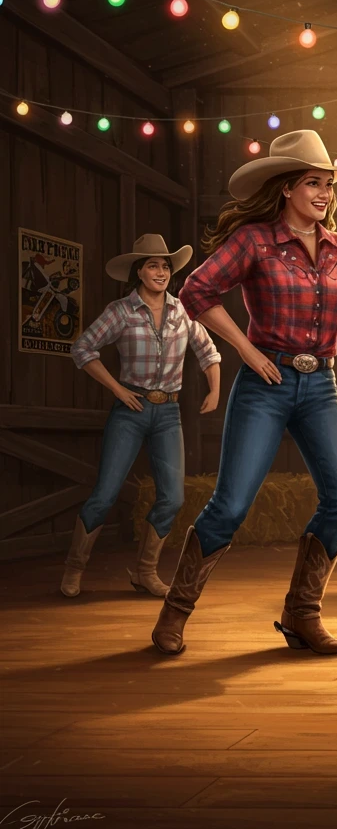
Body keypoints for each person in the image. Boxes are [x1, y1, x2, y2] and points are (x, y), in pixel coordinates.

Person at [151, 130, 337, 656]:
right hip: (265, 383)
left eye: (329, 184)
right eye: (312, 183)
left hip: (321, 385)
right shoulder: (254, 240)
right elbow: (196, 291)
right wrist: (246, 351)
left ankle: (302, 616)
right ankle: (175, 614)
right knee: (231, 505)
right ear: (285, 188)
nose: (324, 193)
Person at [63, 235, 220, 597]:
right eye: (153, 265)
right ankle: (74, 569)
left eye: (166, 266)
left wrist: (214, 390)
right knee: (105, 494)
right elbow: (83, 348)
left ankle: (145, 572)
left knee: (173, 497)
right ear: (138, 272)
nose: (161, 271)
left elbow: (208, 351)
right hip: (129, 411)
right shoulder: (120, 311)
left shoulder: (183, 311)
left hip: (169, 413)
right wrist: (118, 389)